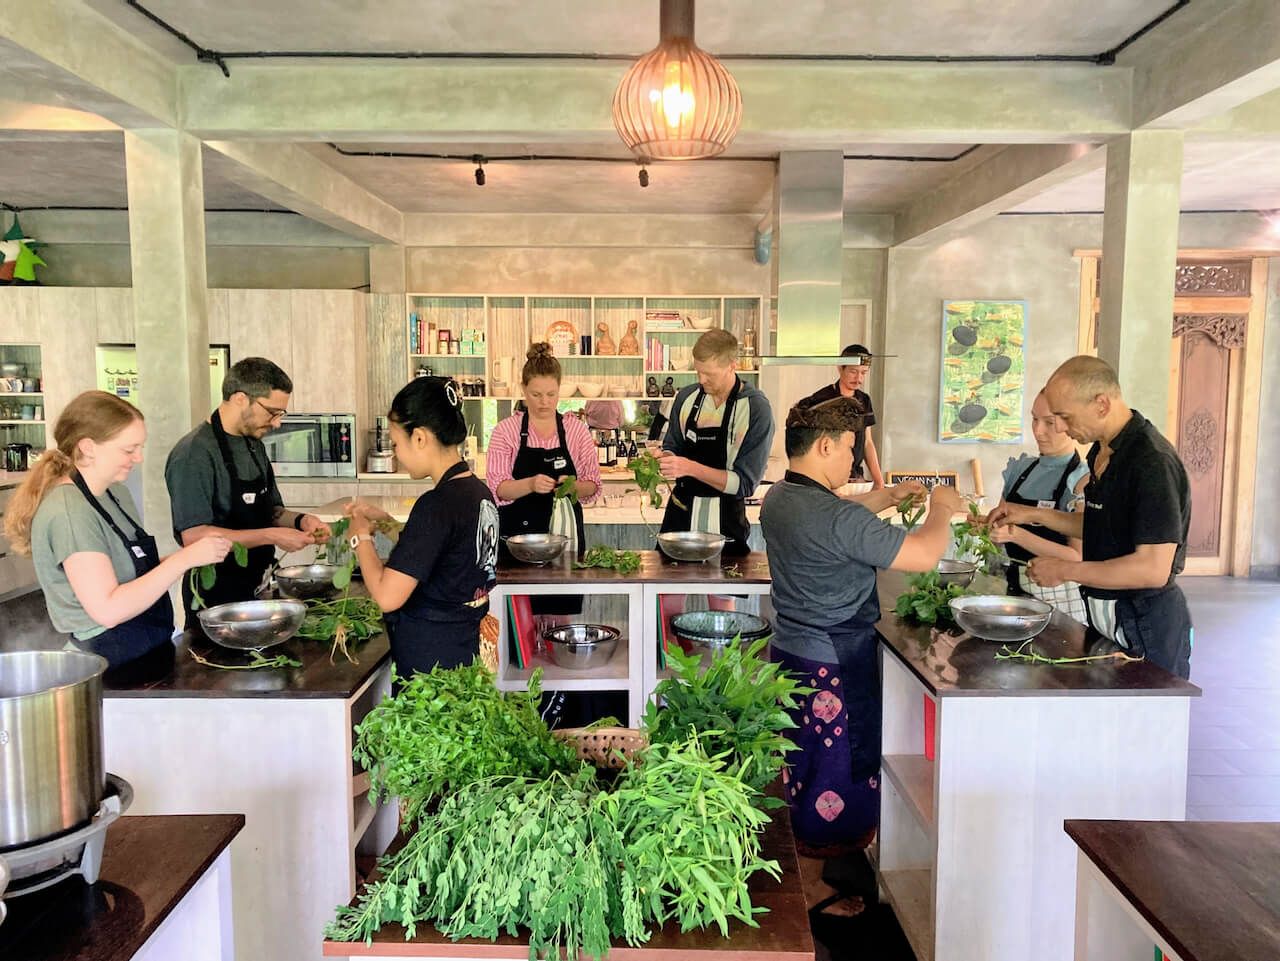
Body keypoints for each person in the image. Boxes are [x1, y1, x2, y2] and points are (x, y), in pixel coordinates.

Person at [760, 396, 960, 917]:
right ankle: (807, 893)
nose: (852, 461)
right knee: (830, 772)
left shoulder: (782, 497)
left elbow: (838, 517)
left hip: (791, 655)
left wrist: (888, 495)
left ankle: (799, 882)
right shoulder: (832, 516)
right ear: (825, 445)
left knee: (798, 769)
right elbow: (921, 555)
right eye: (849, 449)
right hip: (832, 665)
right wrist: (942, 507)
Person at [987, 356, 1193, 678]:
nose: (1064, 428)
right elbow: (1102, 526)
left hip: (1144, 623)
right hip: (1105, 616)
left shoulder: (1151, 462)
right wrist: (1030, 515)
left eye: (1065, 417)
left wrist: (1067, 569)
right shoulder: (1101, 450)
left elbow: (1153, 569)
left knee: (1141, 723)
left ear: (1101, 404)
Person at [4, 391, 231, 676]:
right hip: (107, 660)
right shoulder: (69, 513)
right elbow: (107, 610)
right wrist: (183, 560)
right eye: (129, 449)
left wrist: (188, 558)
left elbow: (131, 574)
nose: (138, 458)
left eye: (140, 447)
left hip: (145, 646)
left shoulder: (114, 493)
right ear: (88, 447)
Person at [344, 377, 499, 679]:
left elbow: (388, 596)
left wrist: (359, 538)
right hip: (464, 654)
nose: (397, 454)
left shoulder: (436, 503)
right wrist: (385, 522)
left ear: (419, 437)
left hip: (433, 663)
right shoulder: (476, 491)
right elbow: (440, 554)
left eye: (397, 443)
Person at [165, 357, 330, 617]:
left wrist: (302, 521)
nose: (276, 423)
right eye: (272, 412)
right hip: (217, 593)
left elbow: (272, 511)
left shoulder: (253, 443)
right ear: (241, 398)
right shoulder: (194, 454)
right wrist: (271, 536)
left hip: (259, 583)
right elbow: (194, 536)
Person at [658, 329, 774, 556]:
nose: (701, 380)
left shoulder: (756, 408)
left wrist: (689, 467)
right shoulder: (686, 398)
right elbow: (672, 446)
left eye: (709, 373)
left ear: (733, 365)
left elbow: (744, 485)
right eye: (698, 372)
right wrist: (666, 460)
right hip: (681, 514)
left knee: (723, 589)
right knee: (668, 589)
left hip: (727, 519)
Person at [985, 390, 1090, 622]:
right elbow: (1001, 525)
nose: (1037, 430)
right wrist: (987, 527)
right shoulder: (1020, 469)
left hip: (1056, 598)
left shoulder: (1081, 479)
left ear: (1070, 424)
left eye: (1049, 423)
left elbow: (1076, 557)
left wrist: (1017, 535)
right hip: (1010, 589)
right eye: (1034, 419)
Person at [488, 343, 600, 552]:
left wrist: (573, 487)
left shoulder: (576, 430)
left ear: (559, 388)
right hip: (517, 544)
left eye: (551, 394)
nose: (544, 402)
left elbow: (593, 485)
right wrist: (530, 484)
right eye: (536, 394)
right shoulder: (505, 431)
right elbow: (499, 490)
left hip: (566, 545)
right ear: (524, 389)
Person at [798, 344, 884, 489]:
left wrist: (879, 481)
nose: (859, 378)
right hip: (826, 478)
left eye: (863, 373)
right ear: (840, 368)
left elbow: (867, 442)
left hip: (855, 478)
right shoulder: (821, 399)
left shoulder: (864, 400)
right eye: (853, 372)